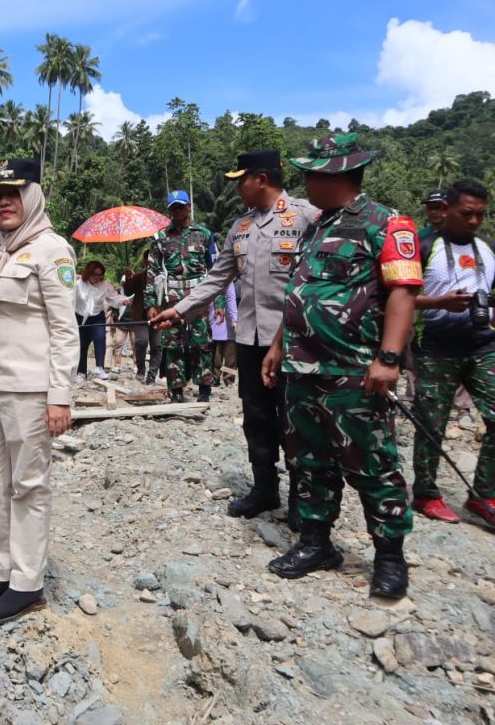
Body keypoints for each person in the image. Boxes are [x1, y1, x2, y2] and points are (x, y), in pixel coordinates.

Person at [261, 133, 421, 599]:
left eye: (312, 172)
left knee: (371, 462)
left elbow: (403, 293)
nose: (305, 181)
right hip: (302, 369)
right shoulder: (314, 226)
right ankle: (316, 543)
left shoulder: (386, 223)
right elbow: (298, 293)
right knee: (309, 461)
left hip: (353, 371)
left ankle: (389, 556)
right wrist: (277, 346)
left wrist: (388, 358)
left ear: (336, 175)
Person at [152, 150, 319, 526]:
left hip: (293, 342)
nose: (236, 188)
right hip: (249, 341)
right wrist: (179, 310)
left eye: (240, 180)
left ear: (260, 179)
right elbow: (217, 277)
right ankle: (264, 489)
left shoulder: (308, 216)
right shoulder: (240, 227)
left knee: (295, 420)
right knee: (256, 417)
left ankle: (301, 499)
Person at [0, 157, 79, 625]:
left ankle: (28, 583)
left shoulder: (51, 251)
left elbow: (65, 329)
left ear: (32, 197)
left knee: (28, 485)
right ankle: (2, 570)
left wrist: (60, 395)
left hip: (28, 389)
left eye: (14, 193)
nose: (4, 202)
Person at [409, 179, 495, 526]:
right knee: (432, 425)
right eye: (466, 213)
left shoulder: (487, 248)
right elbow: (395, 299)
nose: (474, 221)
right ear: (446, 210)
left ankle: (483, 493)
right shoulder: (423, 244)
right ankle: (426, 494)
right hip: (435, 348)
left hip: (483, 346)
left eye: (481, 215)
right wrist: (439, 302)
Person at [145, 190, 217, 403]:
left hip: (199, 296)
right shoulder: (160, 238)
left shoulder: (204, 234)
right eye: (173, 208)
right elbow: (152, 271)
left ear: (188, 207)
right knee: (172, 343)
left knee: (202, 342)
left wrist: (219, 301)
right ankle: (176, 390)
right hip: (173, 297)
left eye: (181, 206)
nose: (177, 211)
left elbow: (216, 271)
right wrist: (151, 303)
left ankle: (204, 388)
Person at [74, 261, 127, 380]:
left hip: (97, 315)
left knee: (100, 339)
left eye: (100, 275)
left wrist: (123, 301)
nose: (97, 278)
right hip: (80, 316)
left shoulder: (105, 285)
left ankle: (100, 368)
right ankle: (81, 372)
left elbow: (114, 298)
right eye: (95, 275)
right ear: (88, 273)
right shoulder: (78, 284)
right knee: (82, 344)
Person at [122, 264, 161, 383]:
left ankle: (152, 374)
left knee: (157, 345)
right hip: (140, 317)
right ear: (145, 261)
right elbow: (128, 292)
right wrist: (128, 278)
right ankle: (141, 369)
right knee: (141, 341)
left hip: (159, 316)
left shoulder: (162, 277)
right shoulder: (138, 277)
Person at [209, 285, 238, 386]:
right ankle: (223, 379)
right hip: (219, 322)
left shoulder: (229, 283)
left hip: (225, 324)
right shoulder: (228, 282)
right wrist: (235, 319)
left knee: (227, 356)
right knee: (226, 356)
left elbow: (231, 300)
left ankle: (223, 379)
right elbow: (231, 300)